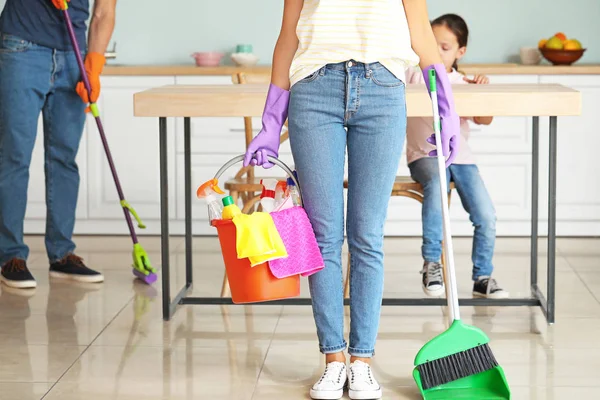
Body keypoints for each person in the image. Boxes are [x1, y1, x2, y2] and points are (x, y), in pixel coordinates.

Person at [243, 1, 461, 399]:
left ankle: (361, 362)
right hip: (313, 91)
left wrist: (447, 108)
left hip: (383, 91)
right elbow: (288, 34)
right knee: (323, 234)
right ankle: (333, 360)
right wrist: (271, 121)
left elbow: (422, 36)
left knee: (367, 236)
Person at [0, 0, 116, 289]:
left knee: (64, 157)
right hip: (22, 47)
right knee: (15, 155)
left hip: (73, 56)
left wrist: (94, 65)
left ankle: (62, 253)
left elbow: (104, 12)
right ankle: (10, 256)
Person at [406, 13, 509, 300]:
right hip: (425, 156)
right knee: (437, 187)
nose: (435, 53)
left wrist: (480, 93)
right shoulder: (414, 74)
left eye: (445, 47)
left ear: (460, 52)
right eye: (431, 45)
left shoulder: (462, 81)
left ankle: (482, 276)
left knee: (486, 215)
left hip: (461, 158)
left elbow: (484, 119)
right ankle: (431, 264)